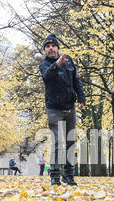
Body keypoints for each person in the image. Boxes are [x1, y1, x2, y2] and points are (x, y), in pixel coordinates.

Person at [39, 33, 85, 186]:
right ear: (45, 50)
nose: (50, 48)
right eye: (47, 47)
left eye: (53, 46)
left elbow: (75, 80)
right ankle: (55, 177)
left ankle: (69, 176)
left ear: (57, 47)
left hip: (69, 107)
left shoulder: (68, 60)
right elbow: (47, 76)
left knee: (71, 141)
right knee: (58, 142)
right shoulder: (44, 64)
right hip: (54, 108)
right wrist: (57, 64)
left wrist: (81, 97)